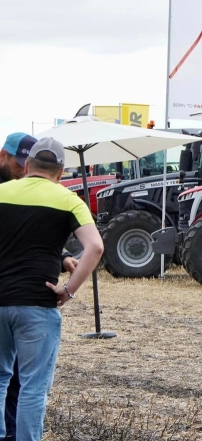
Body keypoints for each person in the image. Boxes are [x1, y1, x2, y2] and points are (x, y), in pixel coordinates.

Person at [0, 138, 104, 441]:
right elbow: (95, 247)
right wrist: (68, 290)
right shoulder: (68, 199)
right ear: (61, 172)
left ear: (27, 166)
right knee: (32, 386)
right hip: (37, 304)